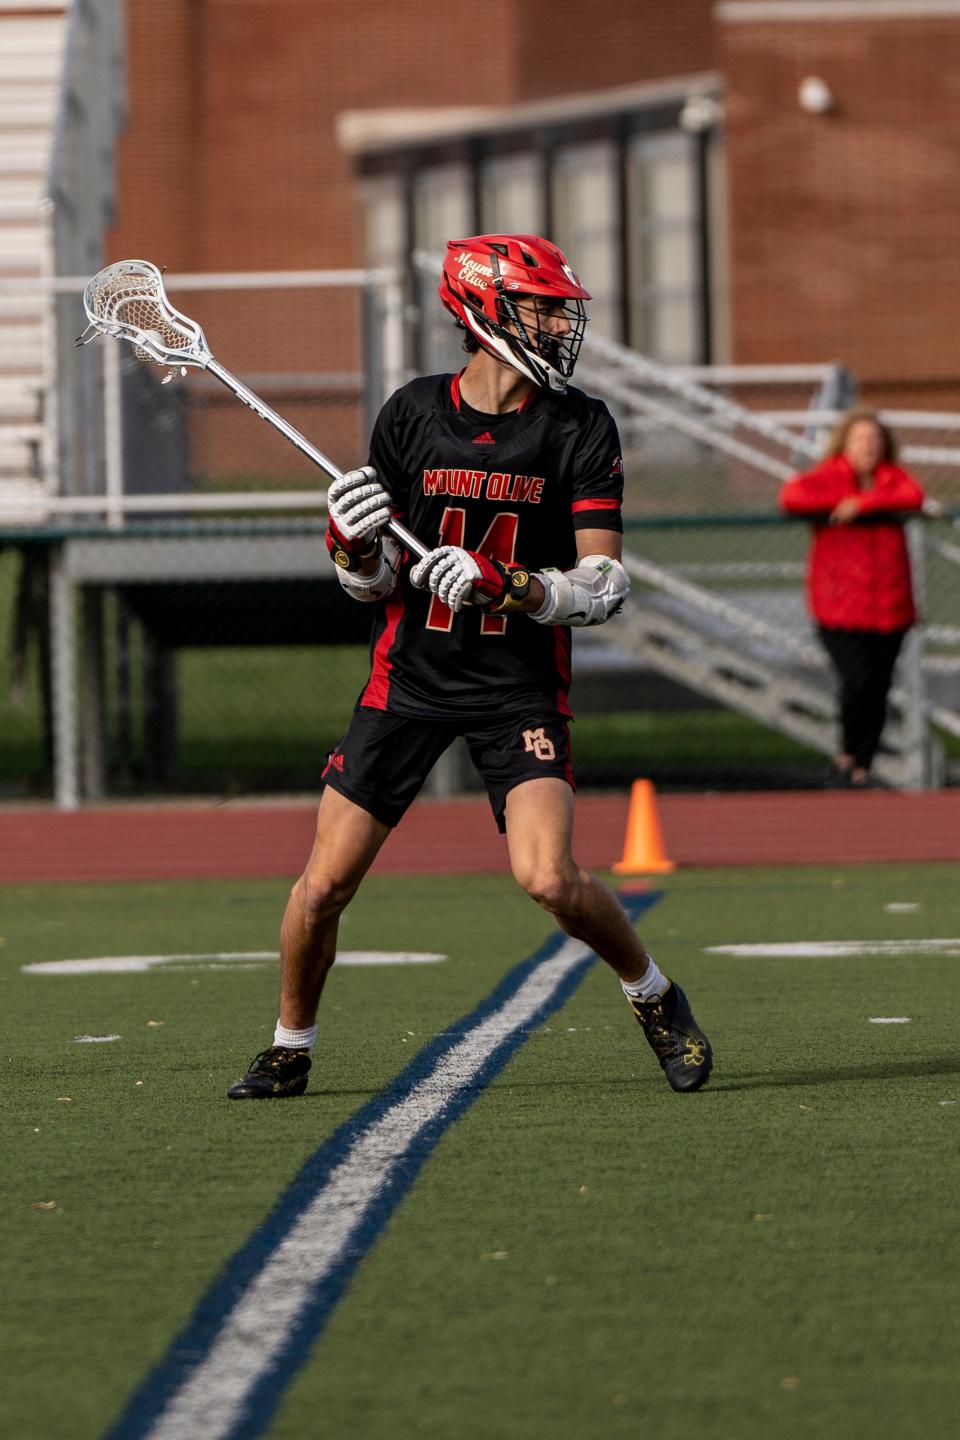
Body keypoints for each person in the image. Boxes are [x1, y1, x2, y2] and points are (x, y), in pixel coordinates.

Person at [228, 233, 712, 1100]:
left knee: (550, 879)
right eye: (543, 305)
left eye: (562, 307)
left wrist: (513, 585)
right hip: (408, 677)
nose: (561, 322)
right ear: (485, 309)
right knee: (322, 884)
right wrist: (347, 546)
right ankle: (289, 1044)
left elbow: (605, 583)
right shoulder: (413, 413)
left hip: (515, 685)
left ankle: (654, 994)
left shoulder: (579, 425)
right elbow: (372, 584)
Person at [780, 408, 925, 787]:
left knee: (879, 686)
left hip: (890, 606)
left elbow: (913, 494)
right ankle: (848, 752)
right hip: (839, 606)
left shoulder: (892, 480)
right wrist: (840, 502)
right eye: (861, 439)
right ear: (844, 443)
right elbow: (792, 495)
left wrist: (864, 504)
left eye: (875, 440)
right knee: (857, 680)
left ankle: (863, 766)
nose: (869, 447)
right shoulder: (828, 478)